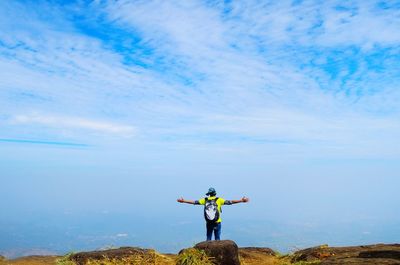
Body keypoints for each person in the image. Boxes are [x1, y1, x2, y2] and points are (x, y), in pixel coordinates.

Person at [177, 187, 249, 241]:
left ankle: (207, 255)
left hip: (209, 222)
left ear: (209, 194)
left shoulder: (205, 200)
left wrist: (184, 201)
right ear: (215, 193)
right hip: (217, 222)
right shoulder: (219, 200)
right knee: (217, 239)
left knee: (208, 238)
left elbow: (194, 202)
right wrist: (241, 200)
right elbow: (230, 202)